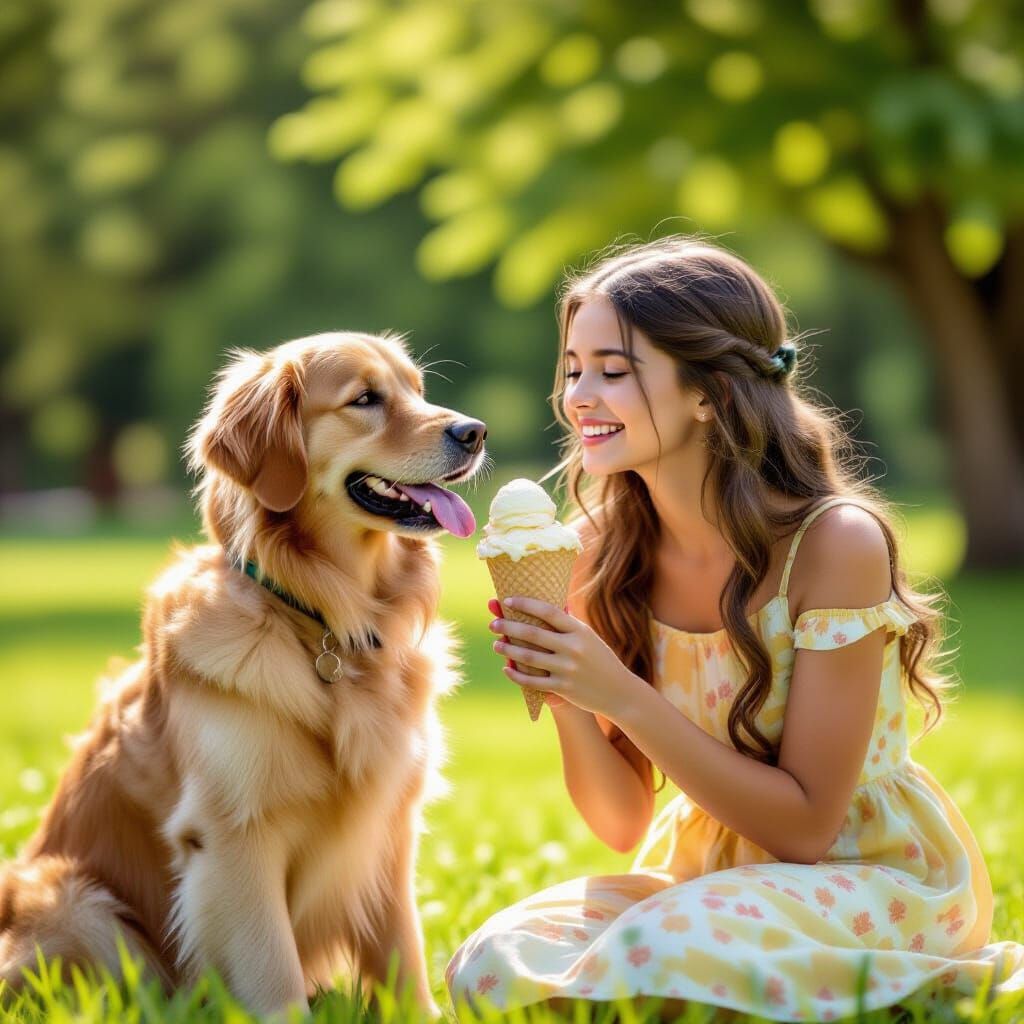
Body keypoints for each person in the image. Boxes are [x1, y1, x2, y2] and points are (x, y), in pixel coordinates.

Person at [444, 237, 1024, 1021]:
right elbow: (620, 824)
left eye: (614, 371)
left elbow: (807, 830)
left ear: (709, 393)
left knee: (660, 948)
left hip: (864, 879)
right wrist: (568, 689)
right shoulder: (596, 553)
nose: (579, 394)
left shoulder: (831, 547)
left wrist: (619, 692)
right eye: (573, 368)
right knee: (492, 961)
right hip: (709, 884)